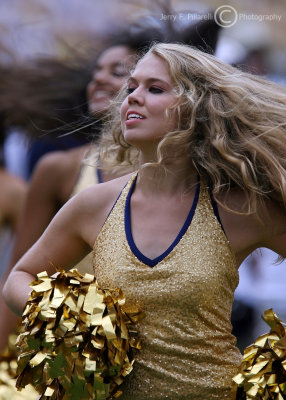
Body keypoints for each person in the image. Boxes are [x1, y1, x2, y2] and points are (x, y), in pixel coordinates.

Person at [4, 42, 286, 399]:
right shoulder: (94, 204)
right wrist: (66, 316)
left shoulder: (240, 207)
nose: (133, 97)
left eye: (154, 89)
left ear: (197, 108)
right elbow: (19, 277)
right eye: (131, 87)